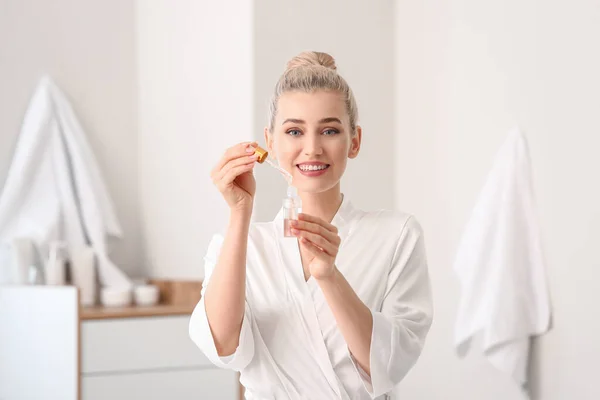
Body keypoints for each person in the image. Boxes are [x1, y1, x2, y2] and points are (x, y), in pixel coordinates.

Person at [189, 51, 433, 400]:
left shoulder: (397, 234)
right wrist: (240, 212)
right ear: (270, 142)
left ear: (355, 141)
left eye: (330, 130)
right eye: (294, 131)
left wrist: (328, 276)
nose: (312, 148)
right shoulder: (240, 245)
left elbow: (388, 365)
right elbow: (224, 347)